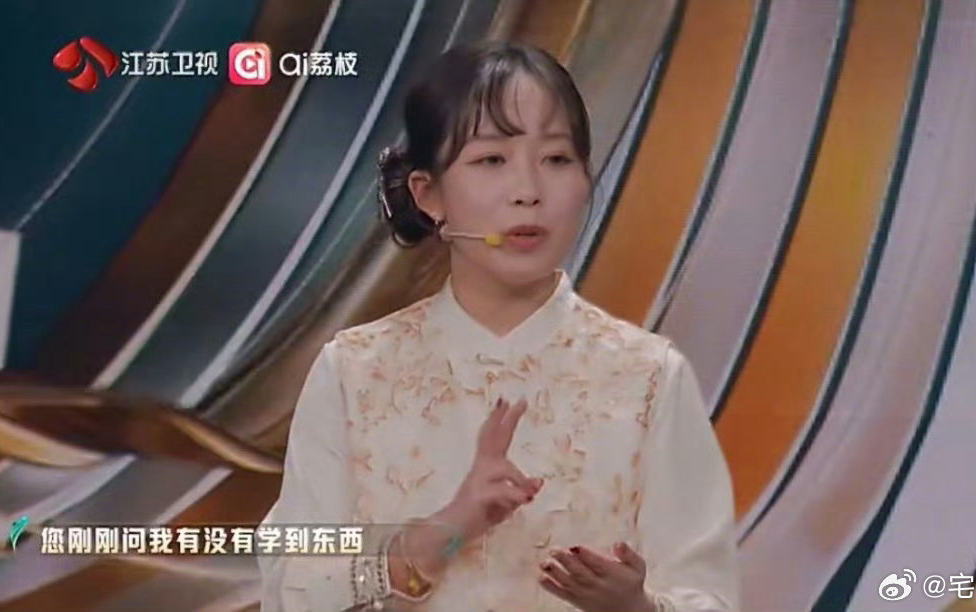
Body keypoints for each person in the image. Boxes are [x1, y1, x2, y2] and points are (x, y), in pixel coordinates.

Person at [257, 40, 739, 612]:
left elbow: (710, 596)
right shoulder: (354, 372)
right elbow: (293, 589)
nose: (528, 192)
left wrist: (636, 608)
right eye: (491, 160)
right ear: (428, 194)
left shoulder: (650, 378)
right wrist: (444, 532)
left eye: (556, 159)